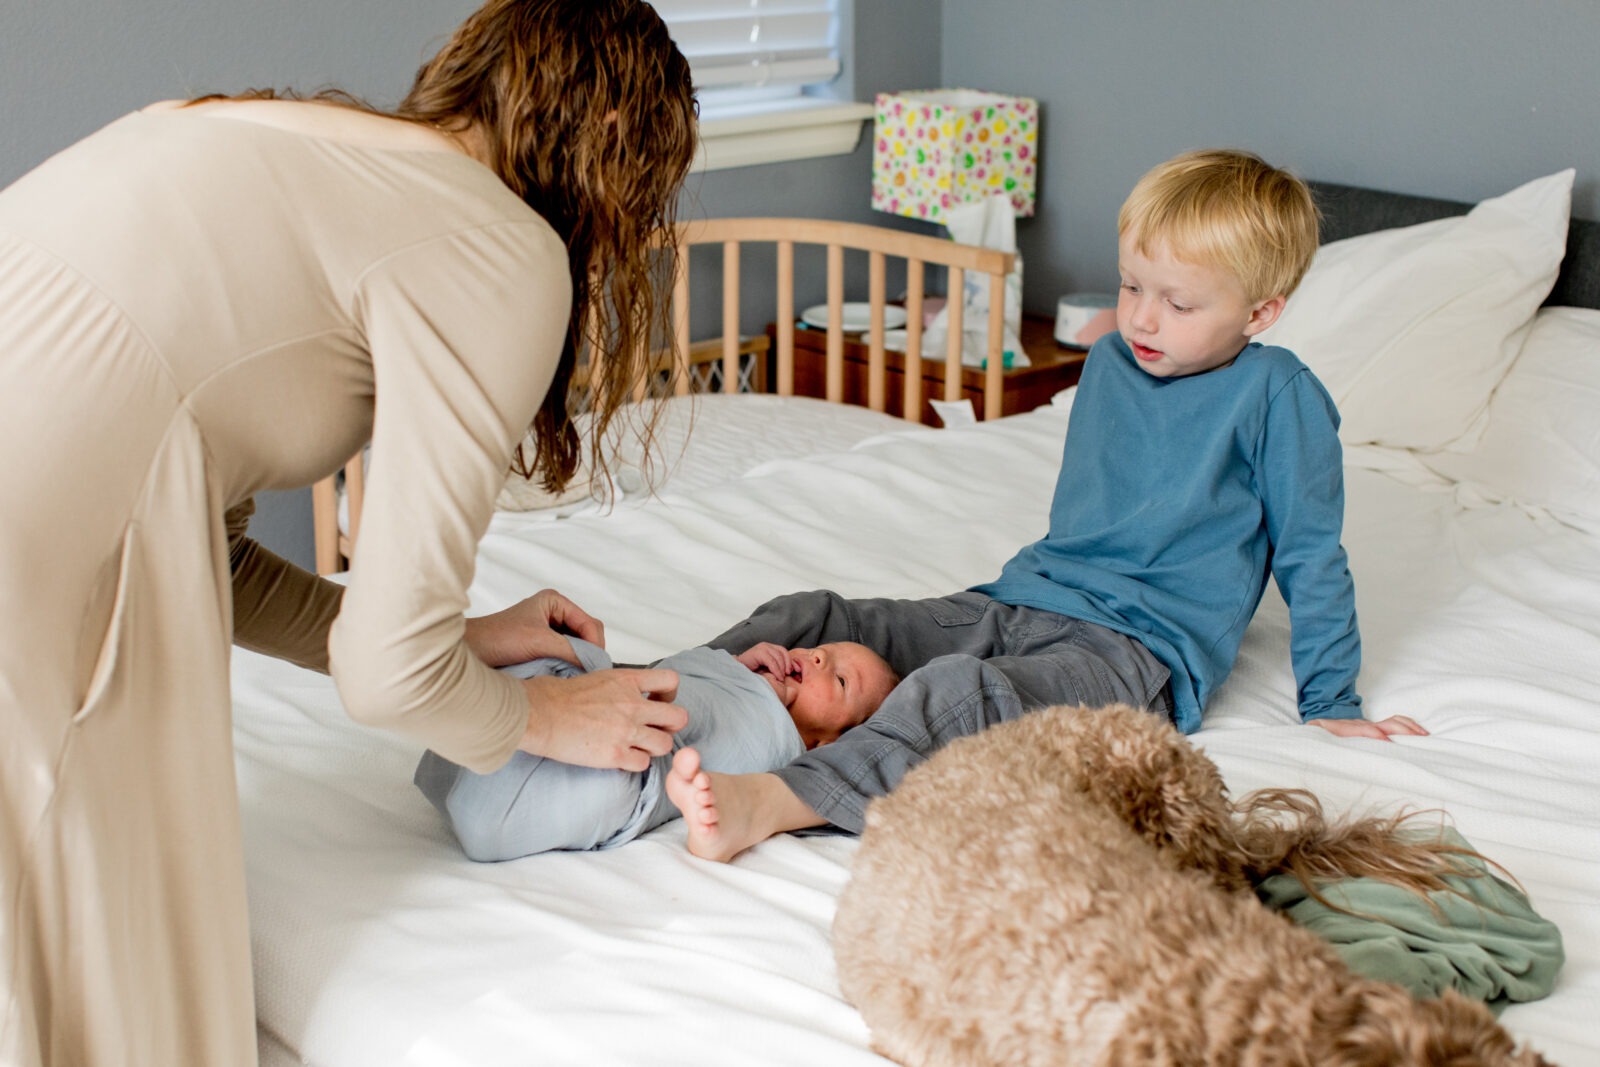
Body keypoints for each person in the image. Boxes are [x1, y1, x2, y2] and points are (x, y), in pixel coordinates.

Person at [0, 3, 698, 1064]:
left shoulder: (255, 129)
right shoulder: (499, 248)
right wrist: (549, 718)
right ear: (615, 146)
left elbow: (202, 556)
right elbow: (387, 678)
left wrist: (452, 637)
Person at [663, 149, 1428, 864]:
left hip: (1136, 650)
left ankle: (771, 801)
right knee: (819, 613)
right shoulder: (1108, 362)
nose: (1143, 319)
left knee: (957, 692)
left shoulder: (1276, 394)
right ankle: (653, 692)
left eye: (1178, 302)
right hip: (1022, 597)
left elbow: (1310, 552)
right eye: (1132, 286)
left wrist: (1332, 698)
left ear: (1260, 314)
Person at [417, 638, 899, 860]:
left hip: (637, 767)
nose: (817, 656)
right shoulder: (750, 677)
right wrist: (732, 666)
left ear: (828, 742)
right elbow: (681, 676)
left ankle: (490, 742)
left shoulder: (788, 752)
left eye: (838, 678)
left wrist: (757, 692)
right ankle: (469, 695)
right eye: (826, 648)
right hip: (581, 709)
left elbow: (726, 734)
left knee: (618, 779)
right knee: (562, 652)